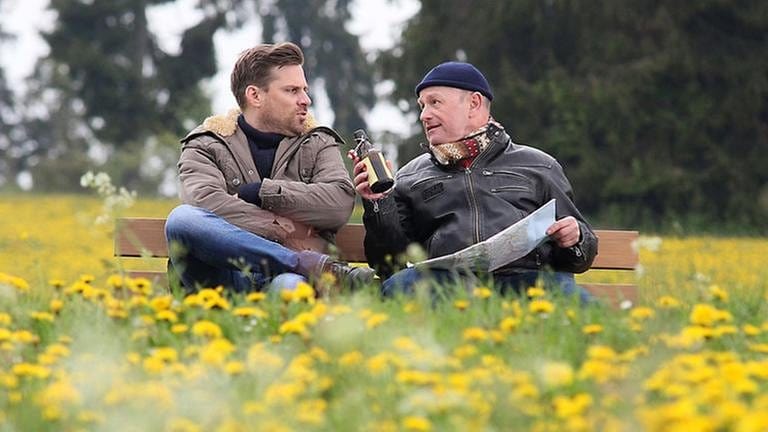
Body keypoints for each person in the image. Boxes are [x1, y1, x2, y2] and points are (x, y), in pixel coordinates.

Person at [349, 61, 598, 300]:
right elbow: (389, 263)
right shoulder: (409, 176)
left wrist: (574, 238)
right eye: (422, 106)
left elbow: (580, 256)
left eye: (434, 102)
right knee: (401, 286)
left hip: (527, 283)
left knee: (573, 297)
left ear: (474, 103)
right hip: (449, 288)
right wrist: (379, 202)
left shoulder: (540, 165)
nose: (424, 115)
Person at [165, 42, 373, 293]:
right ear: (255, 96)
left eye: (304, 90)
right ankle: (305, 263)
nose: (305, 100)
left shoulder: (318, 141)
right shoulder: (206, 144)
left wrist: (263, 192)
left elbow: (338, 204)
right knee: (182, 219)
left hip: (287, 279)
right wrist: (281, 226)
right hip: (224, 277)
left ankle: (297, 268)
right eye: (292, 90)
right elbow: (205, 204)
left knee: (292, 290)